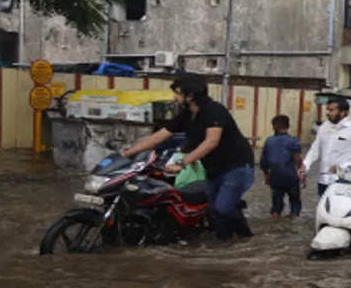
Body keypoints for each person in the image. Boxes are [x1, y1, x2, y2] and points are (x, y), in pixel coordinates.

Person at [122, 76, 255, 240]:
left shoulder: (214, 110)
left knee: (223, 208)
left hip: (237, 166)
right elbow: (159, 136)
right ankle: (224, 244)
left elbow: (211, 142)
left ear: (190, 95)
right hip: (213, 169)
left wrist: (182, 163)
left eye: (177, 94)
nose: (174, 98)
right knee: (215, 212)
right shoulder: (187, 115)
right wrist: (129, 152)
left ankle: (246, 237)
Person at [300, 98, 351, 197]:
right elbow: (315, 150)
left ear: (343, 112)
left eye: (331, 110)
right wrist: (305, 166)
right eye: (327, 110)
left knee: (340, 210)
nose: (327, 113)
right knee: (324, 210)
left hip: (344, 180)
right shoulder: (324, 128)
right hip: (324, 180)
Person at [260, 115, 303, 219]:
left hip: (275, 177)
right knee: (295, 203)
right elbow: (298, 159)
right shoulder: (294, 141)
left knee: (276, 206)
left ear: (274, 126)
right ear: (288, 126)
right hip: (291, 176)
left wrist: (266, 176)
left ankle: (275, 222)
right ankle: (294, 220)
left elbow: (263, 162)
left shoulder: (269, 141)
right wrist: (302, 173)